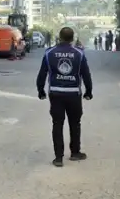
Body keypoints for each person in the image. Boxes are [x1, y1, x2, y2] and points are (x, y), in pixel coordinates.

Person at [36, 27, 93, 167]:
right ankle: (75, 152)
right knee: (75, 124)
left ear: (59, 37)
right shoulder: (79, 54)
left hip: (55, 94)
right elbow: (86, 75)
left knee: (57, 124)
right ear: (72, 38)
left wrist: (41, 91)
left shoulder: (49, 53)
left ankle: (58, 158)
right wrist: (88, 91)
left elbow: (42, 74)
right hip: (74, 94)